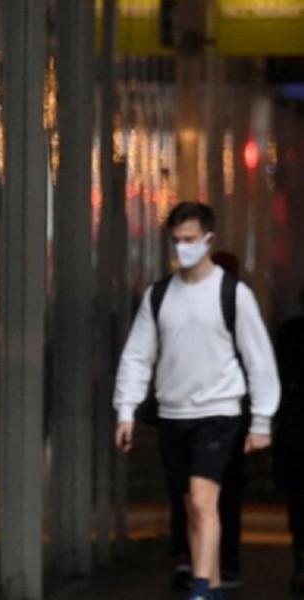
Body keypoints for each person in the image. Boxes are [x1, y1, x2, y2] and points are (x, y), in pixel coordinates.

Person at [112, 201, 280, 600]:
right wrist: (126, 411)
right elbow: (138, 355)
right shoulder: (159, 296)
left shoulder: (232, 294)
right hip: (173, 415)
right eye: (176, 241)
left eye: (189, 240)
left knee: (205, 502)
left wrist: (260, 420)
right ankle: (214, 587)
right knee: (191, 506)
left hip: (219, 413)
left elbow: (259, 358)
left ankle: (201, 590)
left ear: (209, 239)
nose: (182, 247)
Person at [168, 250, 247, 590]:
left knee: (202, 497)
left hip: (222, 417)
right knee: (199, 497)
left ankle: (205, 578)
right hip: (190, 414)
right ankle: (209, 574)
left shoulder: (238, 310)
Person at [272, 283, 304, 593]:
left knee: (298, 502)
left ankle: (301, 564)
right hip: (296, 428)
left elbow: (278, 378)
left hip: (296, 428)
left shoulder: (290, 332)